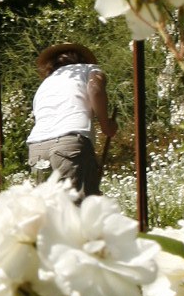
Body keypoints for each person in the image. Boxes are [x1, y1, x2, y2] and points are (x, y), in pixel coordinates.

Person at [26, 42, 116, 198]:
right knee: (78, 208)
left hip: (37, 148)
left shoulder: (45, 84)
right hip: (69, 143)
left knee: (47, 208)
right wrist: (106, 125)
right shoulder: (89, 69)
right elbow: (95, 89)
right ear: (82, 59)